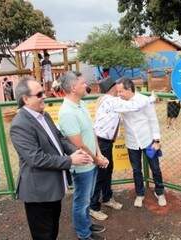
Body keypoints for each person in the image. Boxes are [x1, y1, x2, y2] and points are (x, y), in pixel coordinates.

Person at [10, 76, 93, 240]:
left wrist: (76, 151)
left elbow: (59, 138)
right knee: (43, 234)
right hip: (38, 192)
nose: (44, 96)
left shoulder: (43, 115)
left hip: (52, 188)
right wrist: (70, 161)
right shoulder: (20, 124)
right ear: (26, 99)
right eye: (39, 94)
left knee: (52, 229)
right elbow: (35, 158)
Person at [90, 77, 156, 221]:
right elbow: (133, 106)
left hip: (105, 142)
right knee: (101, 173)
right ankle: (93, 207)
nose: (119, 91)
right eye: (117, 88)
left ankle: (107, 198)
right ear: (112, 88)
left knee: (108, 170)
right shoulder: (110, 100)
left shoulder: (108, 100)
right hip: (101, 142)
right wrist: (150, 98)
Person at [58, 71, 108, 240]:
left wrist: (98, 154)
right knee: (82, 201)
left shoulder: (81, 104)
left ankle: (86, 225)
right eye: (82, 83)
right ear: (73, 88)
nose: (85, 85)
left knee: (87, 198)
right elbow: (78, 144)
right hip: (82, 166)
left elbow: (91, 131)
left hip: (92, 161)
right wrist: (97, 159)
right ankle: (84, 234)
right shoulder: (67, 112)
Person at [116, 77, 166, 208]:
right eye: (117, 92)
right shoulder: (120, 102)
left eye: (121, 91)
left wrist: (156, 140)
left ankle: (160, 192)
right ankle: (140, 194)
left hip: (148, 140)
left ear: (129, 89)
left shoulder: (143, 100)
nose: (119, 94)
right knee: (136, 170)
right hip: (131, 142)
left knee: (155, 168)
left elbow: (153, 120)